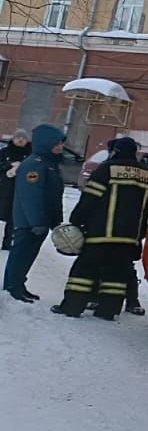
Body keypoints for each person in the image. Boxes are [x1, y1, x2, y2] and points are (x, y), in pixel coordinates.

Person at [53, 136, 148, 320]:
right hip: (129, 238)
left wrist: (76, 220)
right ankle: (108, 311)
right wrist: (139, 235)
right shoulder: (147, 175)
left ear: (115, 151)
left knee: (84, 271)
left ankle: (72, 307)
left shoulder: (107, 169)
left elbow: (90, 198)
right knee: (116, 275)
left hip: (101, 234)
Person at [4, 124, 65, 302]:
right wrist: (36, 221)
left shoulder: (48, 164)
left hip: (39, 222)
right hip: (29, 223)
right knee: (20, 255)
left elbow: (53, 195)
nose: (60, 147)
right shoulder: (34, 165)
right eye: (57, 143)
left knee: (28, 255)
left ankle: (18, 285)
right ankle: (12, 288)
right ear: (46, 143)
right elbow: (31, 196)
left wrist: (54, 220)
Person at [0, 128, 31, 250]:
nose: (20, 140)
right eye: (18, 137)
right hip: (4, 189)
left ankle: (7, 243)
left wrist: (22, 168)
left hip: (21, 190)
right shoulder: (5, 152)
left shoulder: (30, 153)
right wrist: (8, 167)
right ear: (13, 139)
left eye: (23, 138)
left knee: (13, 218)